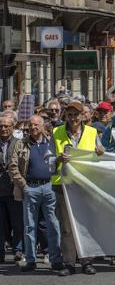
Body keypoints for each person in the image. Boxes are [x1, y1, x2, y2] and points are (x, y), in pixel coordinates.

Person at [51, 101, 103, 276]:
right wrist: (58, 159)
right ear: (66, 116)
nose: (73, 118)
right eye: (70, 115)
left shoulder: (92, 132)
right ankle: (69, 263)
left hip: (85, 184)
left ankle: (87, 261)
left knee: (86, 224)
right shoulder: (56, 132)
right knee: (66, 227)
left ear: (83, 116)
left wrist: (101, 151)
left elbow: (99, 154)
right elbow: (48, 158)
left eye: (76, 115)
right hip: (63, 185)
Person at [8, 115, 64, 273]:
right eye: (31, 125)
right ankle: (31, 260)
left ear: (43, 126)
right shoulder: (21, 143)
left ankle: (55, 259)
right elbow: (12, 166)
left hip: (49, 187)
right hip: (30, 188)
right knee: (29, 226)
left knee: (53, 225)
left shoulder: (51, 142)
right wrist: (23, 185)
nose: (33, 128)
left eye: (36, 125)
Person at [0, 114, 23, 263]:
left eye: (6, 126)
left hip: (14, 189)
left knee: (17, 222)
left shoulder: (20, 143)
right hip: (0, 190)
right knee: (0, 223)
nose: (3, 129)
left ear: (13, 127)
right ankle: (0, 252)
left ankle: (18, 250)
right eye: (1, 126)